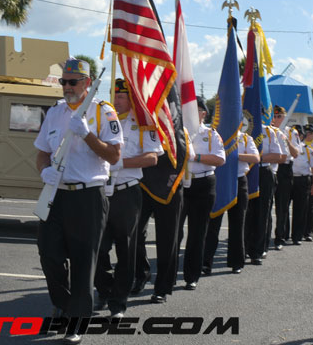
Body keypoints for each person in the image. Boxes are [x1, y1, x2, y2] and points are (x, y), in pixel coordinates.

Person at [34, 58, 122, 344]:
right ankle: (63, 304)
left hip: (88, 196)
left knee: (84, 262)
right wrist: (44, 171)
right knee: (49, 254)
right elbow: (42, 152)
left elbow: (114, 156)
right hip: (56, 193)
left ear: (87, 83)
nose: (67, 87)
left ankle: (77, 322)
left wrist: (87, 134)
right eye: (64, 82)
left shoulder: (103, 111)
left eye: (73, 82)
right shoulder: (55, 112)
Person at [94, 79, 163, 317]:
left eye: (121, 96)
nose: (116, 100)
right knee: (98, 246)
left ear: (131, 99)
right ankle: (104, 290)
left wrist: (121, 162)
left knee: (126, 248)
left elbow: (152, 158)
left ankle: (118, 302)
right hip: (101, 190)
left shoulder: (143, 123)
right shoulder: (102, 119)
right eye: (114, 95)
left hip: (127, 191)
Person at [178, 96, 225, 290]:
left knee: (197, 233)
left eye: (194, 109)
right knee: (174, 232)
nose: (189, 113)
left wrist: (195, 157)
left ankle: (191, 276)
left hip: (203, 183)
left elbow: (220, 159)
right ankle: (167, 277)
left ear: (203, 113)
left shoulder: (211, 134)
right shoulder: (178, 131)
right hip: (181, 184)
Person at [203, 129, 259, 274]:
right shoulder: (217, 135)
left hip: (239, 181)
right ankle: (206, 262)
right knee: (213, 223)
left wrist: (235, 155)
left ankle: (236, 262)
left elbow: (256, 158)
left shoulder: (245, 138)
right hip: (220, 181)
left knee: (238, 223)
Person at [245, 122, 284, 265]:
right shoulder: (242, 128)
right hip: (246, 172)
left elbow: (278, 155)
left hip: (263, 171)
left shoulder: (268, 131)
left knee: (262, 212)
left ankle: (257, 251)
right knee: (245, 212)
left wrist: (256, 158)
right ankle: (243, 248)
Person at [271, 105, 302, 250]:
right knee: (266, 205)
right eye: (275, 116)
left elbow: (296, 153)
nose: (277, 119)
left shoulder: (291, 132)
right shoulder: (268, 130)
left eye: (280, 116)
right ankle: (263, 238)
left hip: (284, 169)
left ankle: (280, 237)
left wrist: (287, 141)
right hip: (271, 167)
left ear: (285, 117)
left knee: (282, 206)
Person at [291, 127, 313, 245]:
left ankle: (297, 236)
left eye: (297, 135)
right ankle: (283, 235)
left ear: (301, 137)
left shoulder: (308, 150)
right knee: (283, 209)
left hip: (302, 180)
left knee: (300, 209)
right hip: (289, 179)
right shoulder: (286, 148)